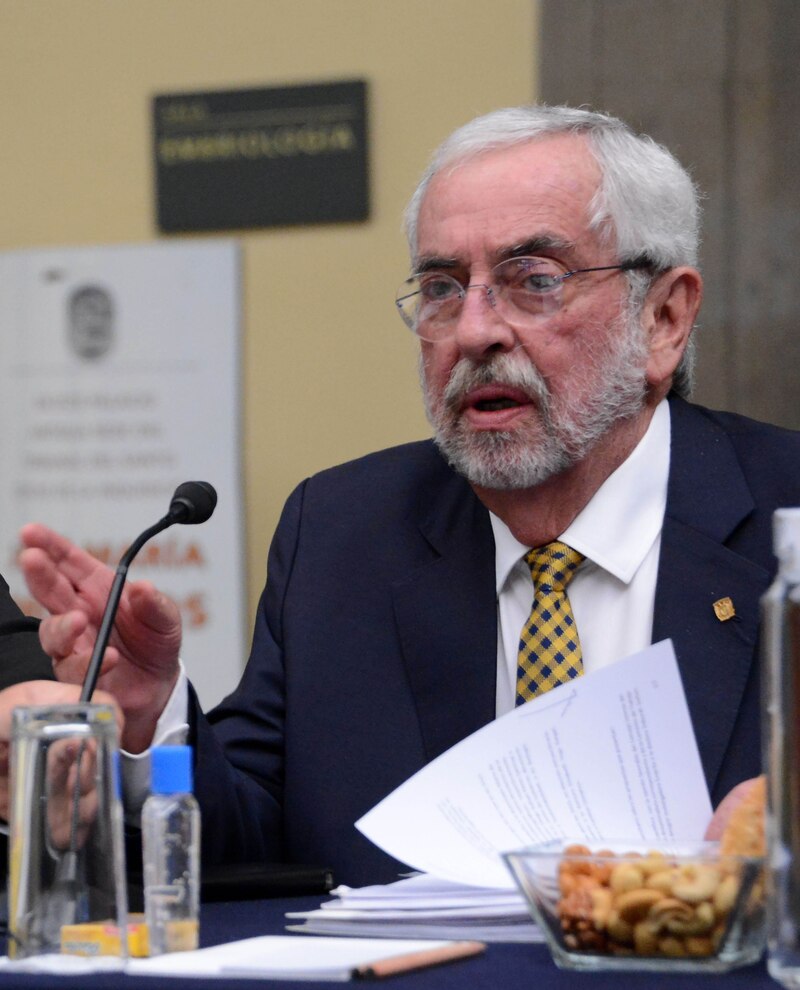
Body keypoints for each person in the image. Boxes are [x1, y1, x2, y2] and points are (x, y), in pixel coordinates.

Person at [14, 105, 800, 886]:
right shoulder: (341, 533)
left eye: (534, 280)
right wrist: (151, 722)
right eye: (442, 287)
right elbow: (256, 843)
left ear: (664, 318)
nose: (473, 331)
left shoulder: (781, 515)